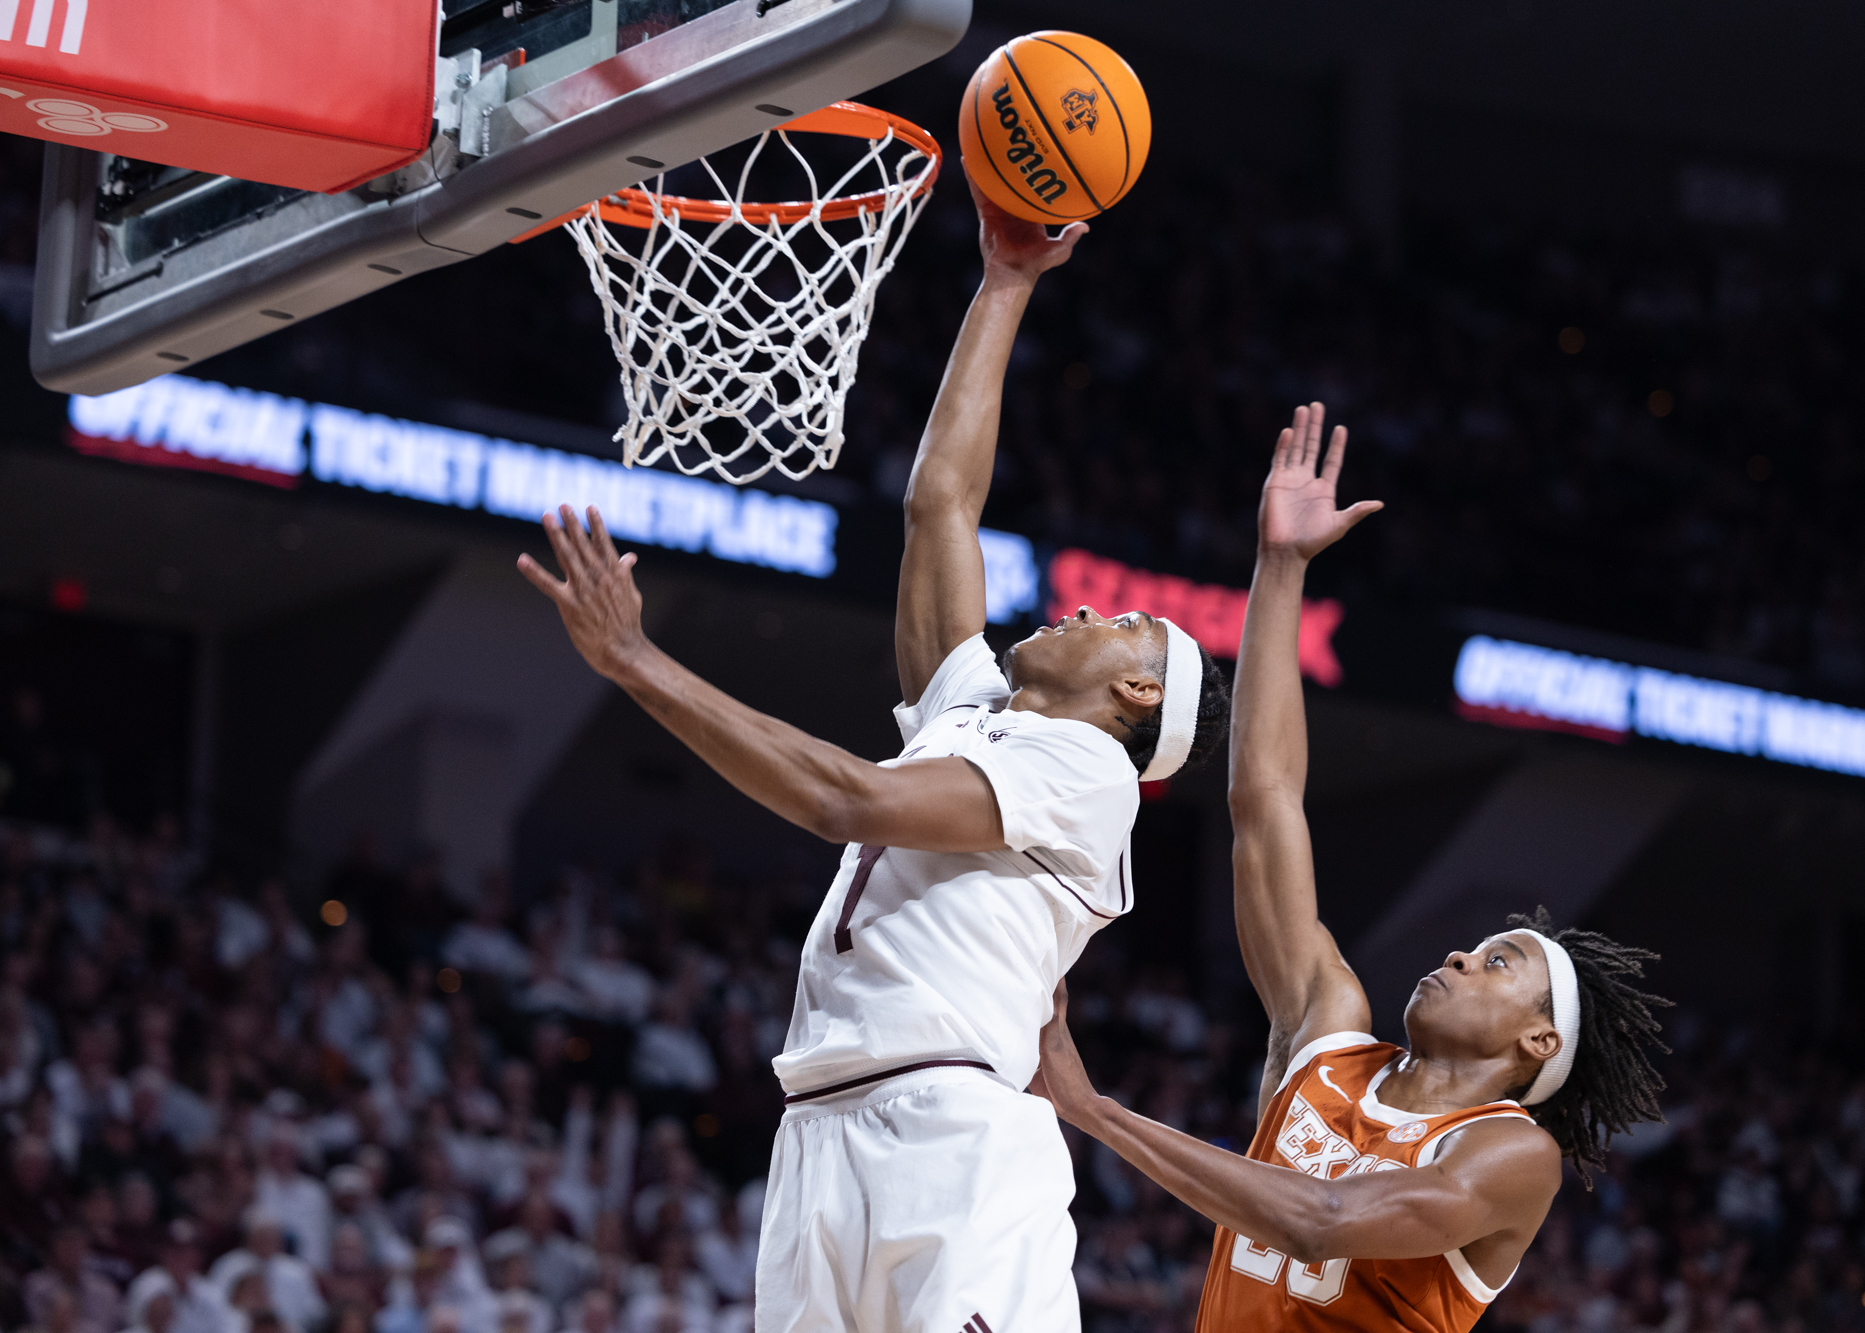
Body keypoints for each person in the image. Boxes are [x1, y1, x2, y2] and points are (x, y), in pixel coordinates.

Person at [517, 179, 1232, 1333]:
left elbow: (841, 796)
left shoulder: (1089, 776)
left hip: (951, 1138)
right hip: (823, 1127)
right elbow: (940, 504)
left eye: (1119, 626)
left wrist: (636, 663)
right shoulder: (977, 713)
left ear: (1136, 694)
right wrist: (1005, 281)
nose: (1085, 608)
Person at [1032, 405, 1673, 1332]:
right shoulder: (1328, 1031)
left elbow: (1320, 1222)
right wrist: (1281, 569)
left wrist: (1094, 1109)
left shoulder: (1509, 1152)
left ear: (1538, 1043)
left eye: (1500, 964)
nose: (1461, 959)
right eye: (1478, 947)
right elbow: (1267, 804)